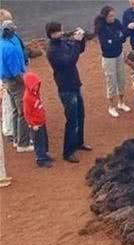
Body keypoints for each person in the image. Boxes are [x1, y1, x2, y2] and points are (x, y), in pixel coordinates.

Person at [46, 22, 92, 164]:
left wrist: (81, 40)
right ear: (52, 34)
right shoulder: (52, 50)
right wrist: (77, 43)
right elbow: (69, 61)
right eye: (59, 31)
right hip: (66, 88)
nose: (62, 33)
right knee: (72, 121)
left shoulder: (62, 43)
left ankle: (79, 143)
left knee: (80, 116)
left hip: (74, 84)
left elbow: (79, 51)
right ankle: (68, 152)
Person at [0, 15, 32, 152]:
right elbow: (15, 73)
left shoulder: (5, 41)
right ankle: (23, 144)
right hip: (15, 81)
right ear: (9, 31)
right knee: (23, 112)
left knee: (15, 110)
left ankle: (16, 138)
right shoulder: (9, 49)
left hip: (8, 80)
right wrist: (26, 83)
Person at [95, 6, 131, 118]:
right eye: (110, 16)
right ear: (105, 16)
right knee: (111, 81)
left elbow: (123, 36)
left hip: (119, 55)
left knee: (121, 79)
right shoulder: (101, 28)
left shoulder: (117, 23)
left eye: (113, 15)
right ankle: (111, 106)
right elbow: (106, 43)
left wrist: (117, 38)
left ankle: (121, 103)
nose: (113, 18)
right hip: (108, 58)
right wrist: (117, 38)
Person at [23, 72, 54, 168]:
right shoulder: (27, 98)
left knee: (44, 139)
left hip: (41, 122)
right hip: (36, 125)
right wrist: (32, 124)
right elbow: (27, 114)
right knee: (38, 142)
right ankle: (40, 159)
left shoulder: (35, 94)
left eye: (37, 85)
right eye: (34, 85)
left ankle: (44, 154)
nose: (36, 86)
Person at [0, 10, 14, 141]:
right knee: (8, 102)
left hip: (4, 75)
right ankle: (9, 129)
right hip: (5, 75)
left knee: (8, 102)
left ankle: (9, 128)